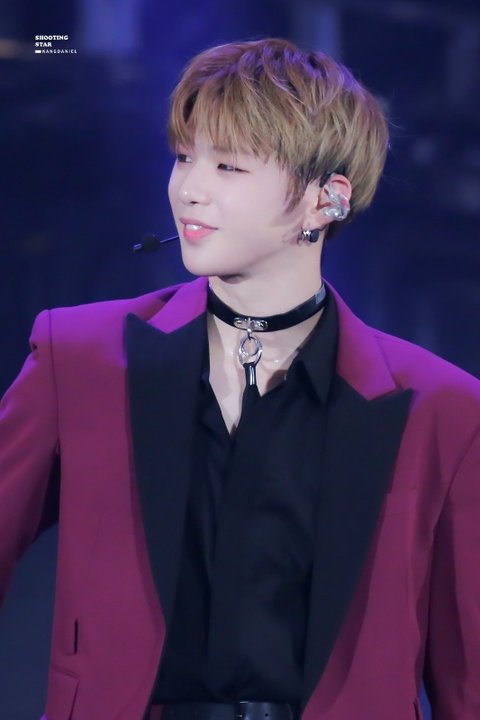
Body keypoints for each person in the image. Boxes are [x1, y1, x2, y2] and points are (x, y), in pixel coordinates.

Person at [0, 37, 479, 720]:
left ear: (326, 201)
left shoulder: (442, 409)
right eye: (183, 157)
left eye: (228, 165)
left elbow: (468, 676)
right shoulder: (79, 359)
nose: (188, 188)